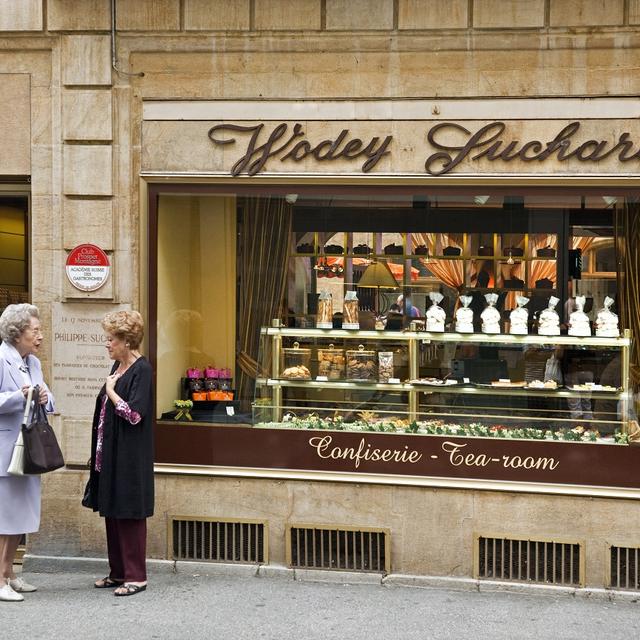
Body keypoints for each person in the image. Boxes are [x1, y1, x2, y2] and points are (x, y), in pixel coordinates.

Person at [85, 311, 154, 597]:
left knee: (129, 513)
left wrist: (112, 392)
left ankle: (136, 576)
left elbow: (135, 414)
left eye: (111, 339)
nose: (107, 344)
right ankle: (117, 573)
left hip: (129, 455)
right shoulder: (118, 365)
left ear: (126, 341)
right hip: (109, 453)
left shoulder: (142, 370)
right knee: (112, 512)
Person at [0, 303, 54, 602]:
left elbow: (47, 396)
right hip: (5, 448)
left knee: (19, 515)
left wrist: (45, 396)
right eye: (35, 330)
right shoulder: (0, 358)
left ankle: (9, 573)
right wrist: (17, 397)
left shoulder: (33, 363)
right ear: (17, 332)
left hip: (28, 449)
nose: (41, 336)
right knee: (4, 517)